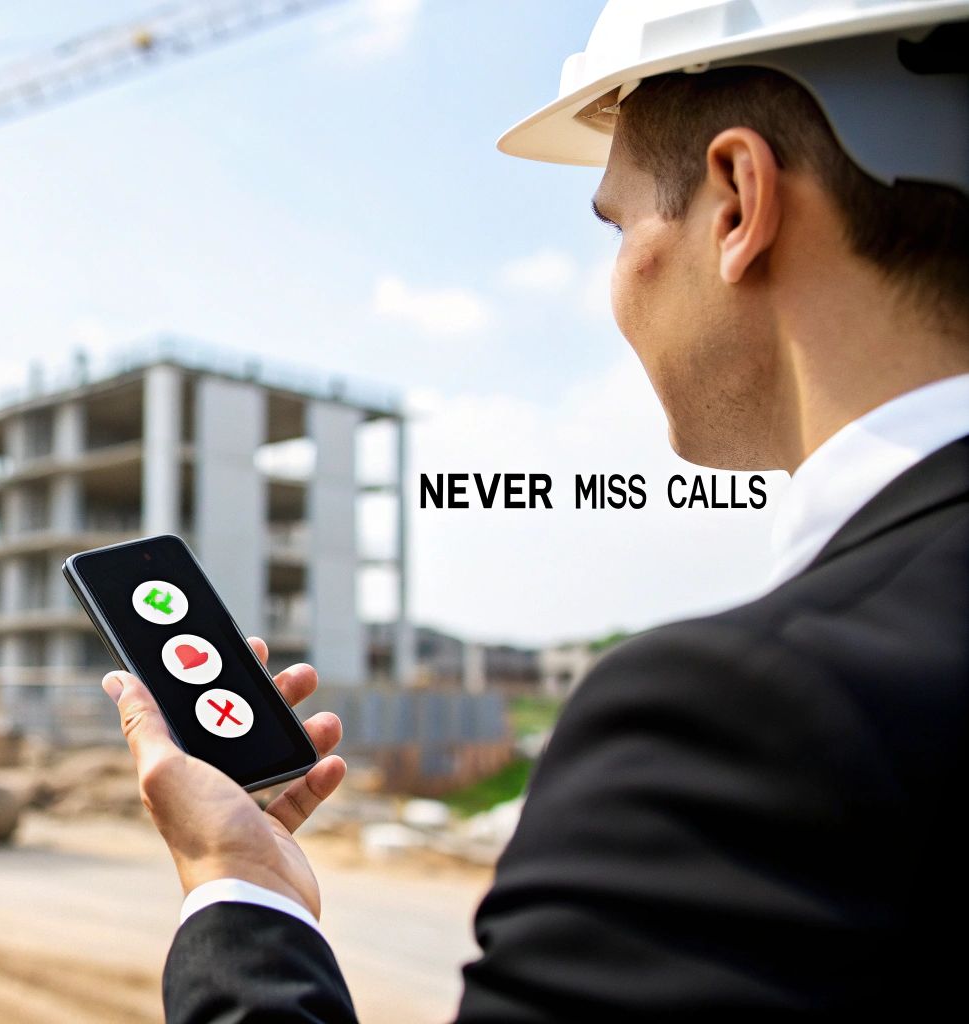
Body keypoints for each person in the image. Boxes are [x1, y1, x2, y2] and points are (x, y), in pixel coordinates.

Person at [113, 2, 969, 1020]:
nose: (614, 283)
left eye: (616, 224)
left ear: (737, 202)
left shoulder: (743, 724)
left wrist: (235, 880)